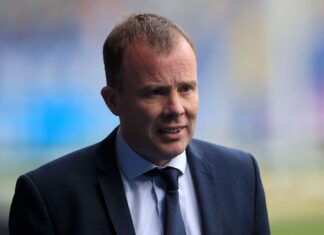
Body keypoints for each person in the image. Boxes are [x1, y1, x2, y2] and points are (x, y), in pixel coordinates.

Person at [9, 13, 270, 235]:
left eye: (186, 88)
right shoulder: (49, 197)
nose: (176, 109)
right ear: (112, 100)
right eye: (155, 93)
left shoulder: (241, 176)